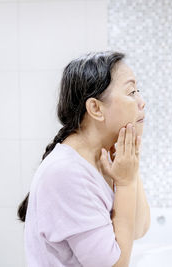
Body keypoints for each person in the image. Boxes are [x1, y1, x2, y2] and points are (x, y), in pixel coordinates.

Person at [16, 51, 150, 267]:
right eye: (131, 91)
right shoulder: (66, 172)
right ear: (96, 108)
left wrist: (130, 174)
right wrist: (125, 182)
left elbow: (139, 228)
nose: (142, 102)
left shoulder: (103, 158)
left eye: (138, 91)